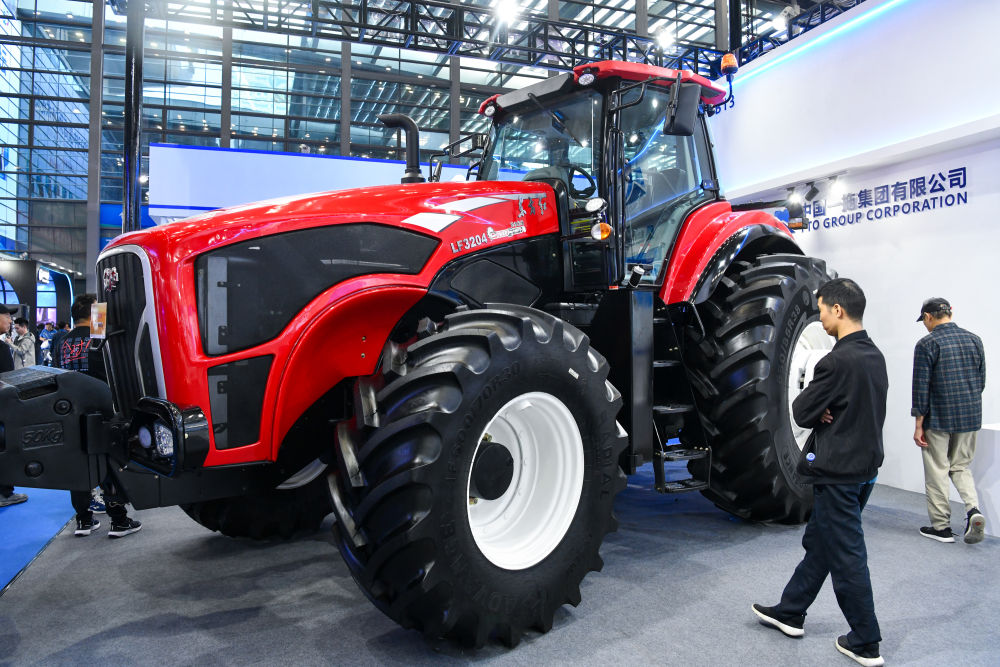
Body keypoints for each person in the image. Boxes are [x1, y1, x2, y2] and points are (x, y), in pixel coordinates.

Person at [752, 278, 887, 667]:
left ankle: (865, 641)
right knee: (823, 542)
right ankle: (791, 611)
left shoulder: (835, 362)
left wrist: (820, 408)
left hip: (838, 474)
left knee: (846, 555)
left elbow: (800, 411)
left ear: (838, 310)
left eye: (824, 310)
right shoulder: (874, 356)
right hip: (865, 471)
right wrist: (827, 407)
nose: (822, 318)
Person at [60, 294, 142, 539]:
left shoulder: (62, 341)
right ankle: (119, 520)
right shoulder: (98, 336)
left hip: (70, 412)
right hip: (101, 409)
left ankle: (83, 520)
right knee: (109, 465)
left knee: (78, 466)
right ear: (94, 312)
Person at [911, 298, 987, 544]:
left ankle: (941, 527)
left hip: (938, 418)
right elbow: (981, 381)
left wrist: (918, 425)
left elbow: (921, 388)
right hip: (970, 416)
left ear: (928, 316)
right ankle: (973, 510)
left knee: (937, 470)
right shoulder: (974, 340)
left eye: (924, 320)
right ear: (950, 313)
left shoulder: (927, 344)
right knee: (961, 467)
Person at [0, 305, 28, 507]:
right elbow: (7, 381)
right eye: (7, 316)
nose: (11, 321)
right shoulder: (1, 348)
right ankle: (4, 493)